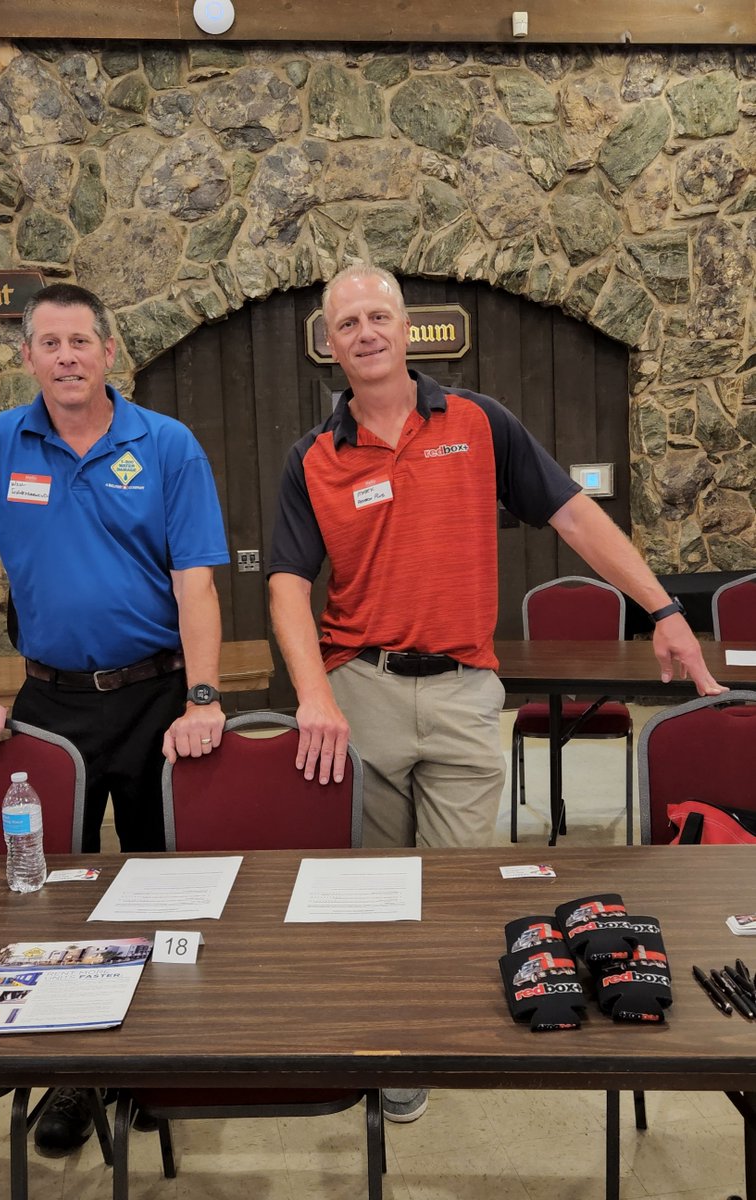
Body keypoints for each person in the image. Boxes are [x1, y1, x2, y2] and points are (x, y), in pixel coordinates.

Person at [267, 264, 725, 1124]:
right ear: (328, 345)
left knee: (457, 885)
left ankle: (434, 1031)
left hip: (464, 692)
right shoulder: (313, 458)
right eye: (347, 323)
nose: (364, 333)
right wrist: (312, 696)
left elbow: (575, 517)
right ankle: (388, 1036)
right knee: (376, 884)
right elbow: (288, 581)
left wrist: (661, 607)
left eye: (378, 316)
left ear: (407, 331)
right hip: (358, 688)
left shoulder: (479, 424)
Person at [0, 282, 229, 1153]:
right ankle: (72, 1075)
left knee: (164, 893)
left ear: (110, 353)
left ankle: (163, 1062)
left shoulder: (168, 444)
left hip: (155, 702)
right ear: (28, 357)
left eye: (81, 341)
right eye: (49, 342)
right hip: (47, 709)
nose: (67, 356)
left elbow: (197, 582)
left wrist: (205, 696)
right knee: (52, 903)